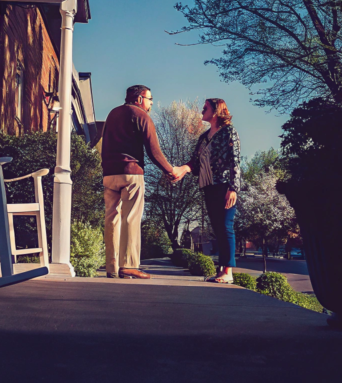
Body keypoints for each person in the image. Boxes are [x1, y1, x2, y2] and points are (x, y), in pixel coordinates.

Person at [101, 85, 186, 279]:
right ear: (140, 99)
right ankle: (129, 265)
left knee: (111, 219)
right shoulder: (141, 115)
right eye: (150, 100)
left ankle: (112, 267)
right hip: (131, 173)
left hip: (109, 173)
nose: (151, 105)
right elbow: (153, 151)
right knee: (130, 217)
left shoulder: (112, 114)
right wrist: (171, 171)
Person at [178, 98, 242, 284]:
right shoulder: (204, 137)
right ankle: (221, 270)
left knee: (225, 226)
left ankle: (228, 272)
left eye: (205, 107)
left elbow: (235, 161)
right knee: (218, 229)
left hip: (224, 186)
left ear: (216, 111)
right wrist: (182, 170)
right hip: (207, 186)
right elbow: (194, 164)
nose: (201, 110)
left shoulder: (229, 132)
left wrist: (233, 188)